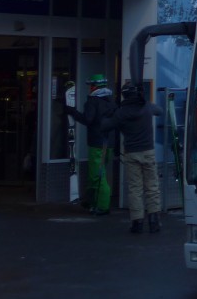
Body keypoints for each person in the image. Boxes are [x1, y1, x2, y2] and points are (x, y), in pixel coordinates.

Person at [104, 81, 163, 234]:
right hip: (148, 151)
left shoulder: (121, 113)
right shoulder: (147, 107)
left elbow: (106, 125)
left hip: (131, 153)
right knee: (152, 187)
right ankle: (153, 220)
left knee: (135, 189)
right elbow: (160, 111)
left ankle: (137, 222)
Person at [64, 74, 117, 215]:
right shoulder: (111, 101)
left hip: (97, 144)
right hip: (109, 143)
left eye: (90, 86)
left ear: (94, 86)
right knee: (98, 173)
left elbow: (87, 119)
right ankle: (90, 201)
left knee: (97, 176)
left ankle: (103, 207)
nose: (89, 88)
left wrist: (72, 112)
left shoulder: (93, 101)